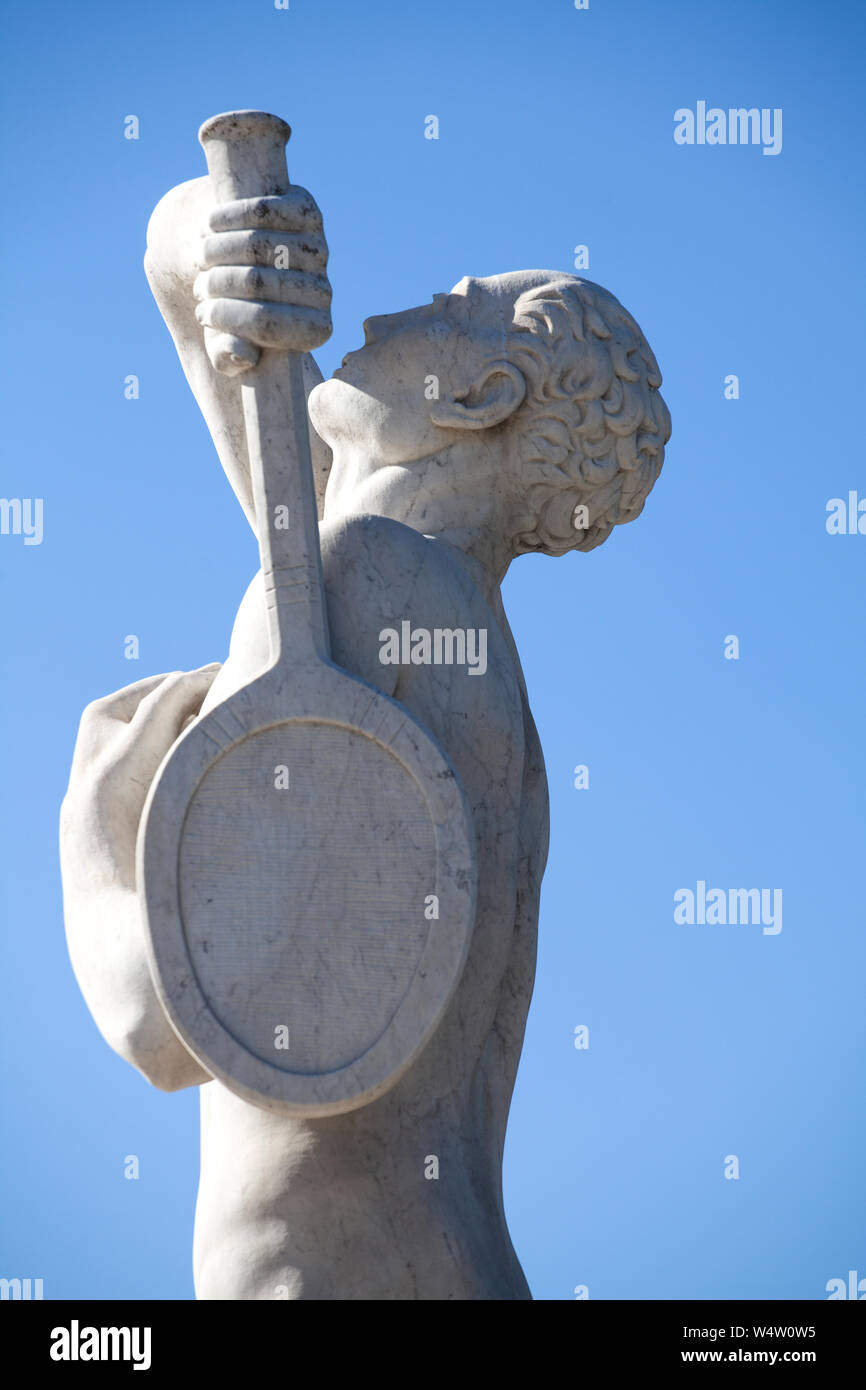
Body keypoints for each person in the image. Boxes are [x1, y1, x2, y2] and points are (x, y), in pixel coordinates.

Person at [60, 171, 670, 1299]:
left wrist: (101, 813)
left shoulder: (365, 580)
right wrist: (211, 239)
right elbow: (269, 447)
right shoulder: (468, 658)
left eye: (442, 304)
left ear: (477, 389)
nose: (387, 316)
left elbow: (159, 1017)